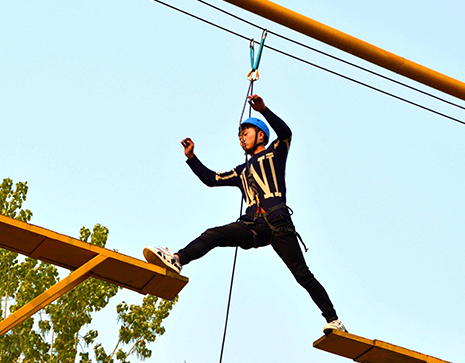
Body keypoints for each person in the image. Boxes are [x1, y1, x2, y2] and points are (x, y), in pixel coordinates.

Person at [144, 94, 346, 334]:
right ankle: (178, 259)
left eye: (246, 133)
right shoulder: (241, 171)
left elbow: (286, 133)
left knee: (302, 274)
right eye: (240, 135)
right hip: (253, 226)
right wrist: (192, 158)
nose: (242, 138)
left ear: (261, 135)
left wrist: (263, 110)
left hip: (279, 224)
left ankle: (334, 320)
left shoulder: (275, 153)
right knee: (214, 234)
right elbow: (212, 179)